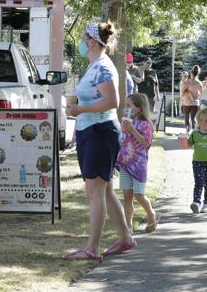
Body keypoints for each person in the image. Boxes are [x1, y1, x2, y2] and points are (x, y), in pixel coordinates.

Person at [63, 22, 135, 261]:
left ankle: (92, 249)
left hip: (100, 131)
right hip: (91, 131)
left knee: (95, 191)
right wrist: (77, 108)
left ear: (92, 42)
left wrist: (80, 109)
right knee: (104, 191)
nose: (82, 43)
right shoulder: (94, 65)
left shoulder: (103, 67)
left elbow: (112, 101)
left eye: (84, 39)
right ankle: (126, 238)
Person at [116, 93, 160, 233]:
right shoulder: (126, 122)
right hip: (126, 164)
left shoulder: (146, 124)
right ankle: (128, 226)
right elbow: (122, 140)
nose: (126, 108)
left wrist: (132, 130)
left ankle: (151, 214)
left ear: (139, 108)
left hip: (139, 165)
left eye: (129, 105)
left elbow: (146, 143)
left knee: (138, 195)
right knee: (127, 196)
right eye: (126, 105)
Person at [181, 65, 202, 133]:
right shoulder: (199, 83)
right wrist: (196, 97)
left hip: (186, 102)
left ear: (191, 73)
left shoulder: (188, 82)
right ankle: (193, 132)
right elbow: (201, 94)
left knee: (187, 117)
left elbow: (182, 92)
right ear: (198, 73)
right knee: (193, 118)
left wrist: (188, 93)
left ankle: (187, 132)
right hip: (196, 103)